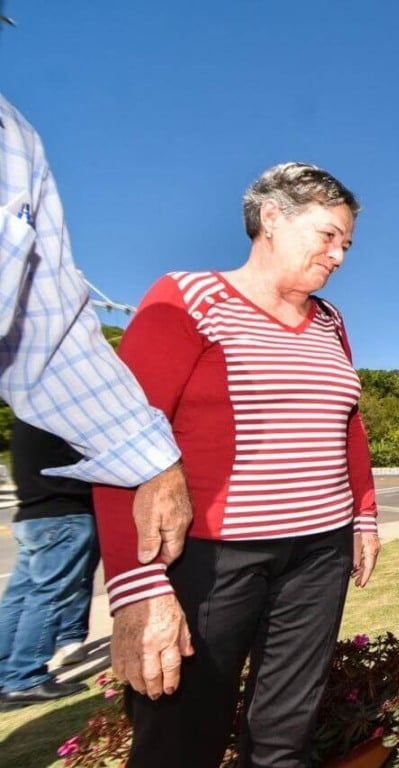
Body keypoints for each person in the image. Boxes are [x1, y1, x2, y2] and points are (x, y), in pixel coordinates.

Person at [92, 162, 380, 767]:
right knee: (181, 737)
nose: (340, 257)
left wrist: (364, 516)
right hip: (213, 557)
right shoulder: (187, 298)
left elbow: (348, 422)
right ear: (271, 218)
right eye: (329, 236)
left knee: (284, 736)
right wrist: (135, 587)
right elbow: (123, 444)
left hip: (319, 554)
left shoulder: (331, 322)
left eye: (347, 244)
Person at [0, 90, 192, 706]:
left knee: (33, 591)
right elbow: (52, 350)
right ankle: (21, 673)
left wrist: (152, 462)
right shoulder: (50, 411)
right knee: (49, 590)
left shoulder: (14, 136)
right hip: (58, 514)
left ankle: (12, 668)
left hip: (38, 513)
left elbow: (46, 330)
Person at [0, 419, 100, 704]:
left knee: (18, 598)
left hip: (32, 515)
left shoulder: (27, 417)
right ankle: (26, 677)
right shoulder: (63, 416)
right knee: (49, 597)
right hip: (64, 514)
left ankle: (7, 673)